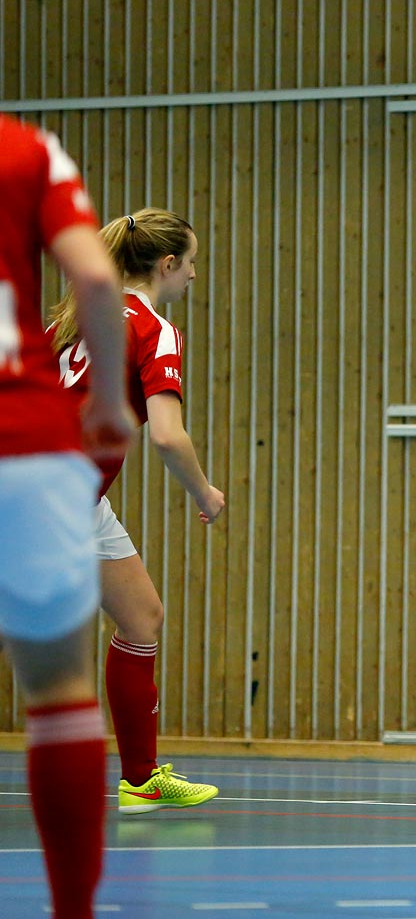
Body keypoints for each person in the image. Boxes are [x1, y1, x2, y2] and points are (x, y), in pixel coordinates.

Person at [0, 114, 136, 919]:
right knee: (57, 689)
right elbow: (94, 282)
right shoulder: (28, 150)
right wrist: (109, 407)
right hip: (26, 440)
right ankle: (71, 912)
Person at [49, 207, 224, 815]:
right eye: (192, 263)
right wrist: (205, 493)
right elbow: (168, 436)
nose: (194, 276)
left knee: (142, 617)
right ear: (167, 265)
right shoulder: (153, 327)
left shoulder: (83, 312)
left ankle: (141, 779)